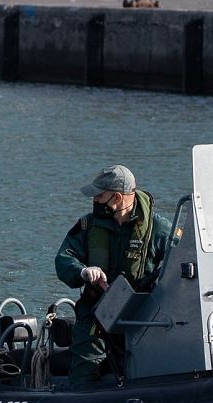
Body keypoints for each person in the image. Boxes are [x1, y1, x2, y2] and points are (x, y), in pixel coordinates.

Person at [55, 164, 172, 389]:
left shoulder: (159, 229)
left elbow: (180, 264)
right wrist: (83, 271)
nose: (95, 201)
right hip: (96, 313)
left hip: (141, 317)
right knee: (84, 370)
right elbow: (64, 258)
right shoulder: (88, 225)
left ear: (117, 197)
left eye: (100, 196)